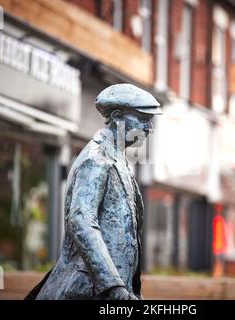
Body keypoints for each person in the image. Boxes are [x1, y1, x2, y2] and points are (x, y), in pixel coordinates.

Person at [25, 83, 162, 300]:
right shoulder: (96, 158)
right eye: (143, 119)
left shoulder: (120, 160)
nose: (149, 128)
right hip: (89, 290)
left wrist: (130, 291)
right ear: (117, 116)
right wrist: (112, 286)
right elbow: (81, 220)